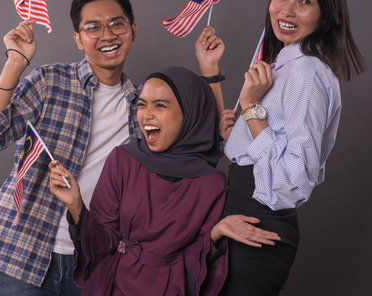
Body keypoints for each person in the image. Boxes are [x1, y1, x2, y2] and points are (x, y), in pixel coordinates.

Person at [195, 0, 368, 295]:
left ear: (326, 14)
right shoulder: (282, 66)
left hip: (259, 223)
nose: (286, 10)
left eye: (305, 1)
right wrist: (213, 75)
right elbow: (239, 147)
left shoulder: (306, 73)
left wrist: (252, 107)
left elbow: (292, 182)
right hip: (237, 213)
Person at [0, 0, 142, 295]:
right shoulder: (51, 81)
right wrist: (14, 65)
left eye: (117, 24)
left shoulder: (143, 105)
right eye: (93, 27)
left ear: (132, 31)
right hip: (21, 253)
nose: (108, 35)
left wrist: (210, 75)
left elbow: (190, 159)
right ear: (78, 39)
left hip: (94, 260)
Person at [49, 66, 234, 295]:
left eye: (160, 105)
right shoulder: (122, 160)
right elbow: (101, 245)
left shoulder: (211, 183)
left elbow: (199, 264)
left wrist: (216, 235)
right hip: (113, 286)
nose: (146, 115)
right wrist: (76, 205)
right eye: (142, 104)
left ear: (190, 113)